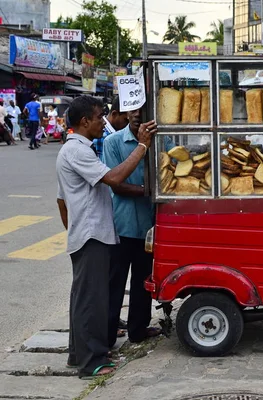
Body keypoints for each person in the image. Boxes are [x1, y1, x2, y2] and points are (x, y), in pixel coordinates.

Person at [55, 95, 157, 379]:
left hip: (87, 233)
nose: (104, 121)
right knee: (92, 300)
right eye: (99, 117)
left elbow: (61, 200)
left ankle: (79, 355)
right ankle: (92, 363)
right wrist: (142, 146)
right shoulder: (78, 151)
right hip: (92, 236)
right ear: (85, 121)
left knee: (83, 298)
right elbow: (114, 179)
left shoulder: (75, 149)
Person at [103, 105, 162, 348]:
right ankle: (106, 337)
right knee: (114, 283)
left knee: (143, 280)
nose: (138, 114)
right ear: (126, 113)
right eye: (134, 110)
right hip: (121, 224)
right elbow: (117, 184)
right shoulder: (114, 142)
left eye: (143, 109)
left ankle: (138, 329)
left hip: (149, 226)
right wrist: (151, 192)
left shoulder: (161, 141)